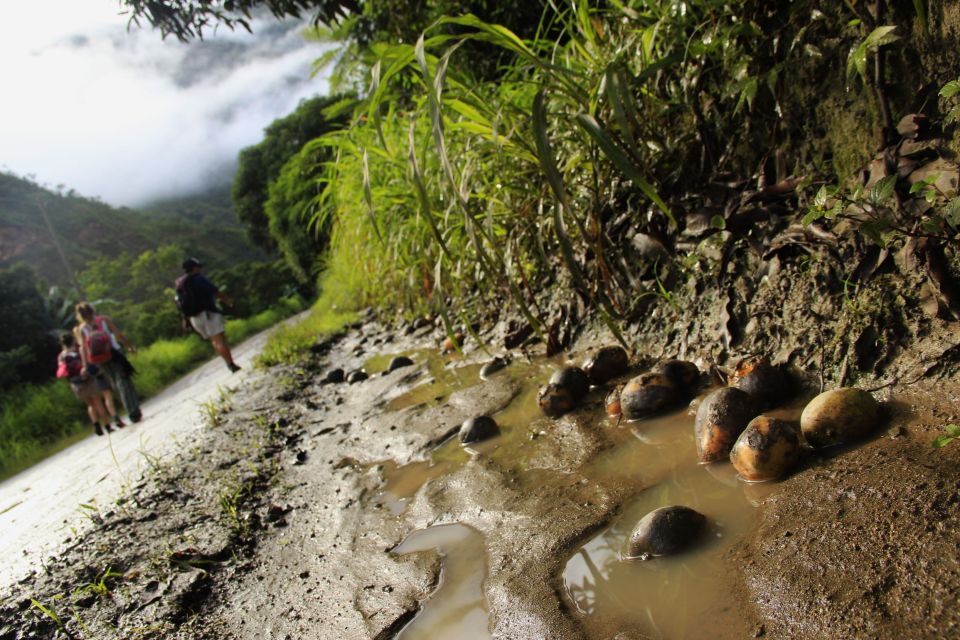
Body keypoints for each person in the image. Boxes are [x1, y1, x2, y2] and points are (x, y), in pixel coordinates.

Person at [73, 302, 143, 423]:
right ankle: (133, 410)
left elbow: (83, 348)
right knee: (123, 380)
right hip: (113, 353)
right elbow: (118, 334)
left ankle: (131, 409)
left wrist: (85, 365)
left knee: (115, 383)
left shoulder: (81, 329)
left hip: (98, 360)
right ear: (92, 310)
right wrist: (129, 346)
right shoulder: (103, 319)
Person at [176, 257, 241, 372]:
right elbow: (215, 291)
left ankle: (229, 363)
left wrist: (185, 319)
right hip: (208, 313)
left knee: (214, 341)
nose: (200, 269)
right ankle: (231, 365)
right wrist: (228, 301)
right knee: (219, 340)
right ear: (195, 268)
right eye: (199, 267)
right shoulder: (198, 278)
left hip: (194, 319)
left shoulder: (180, 284)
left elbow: (180, 303)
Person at [56, 333, 124, 435]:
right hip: (87, 379)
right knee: (98, 403)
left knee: (90, 405)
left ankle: (96, 425)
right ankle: (107, 426)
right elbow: (88, 361)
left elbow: (63, 371)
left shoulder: (61, 356)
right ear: (73, 340)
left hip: (75, 384)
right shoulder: (78, 350)